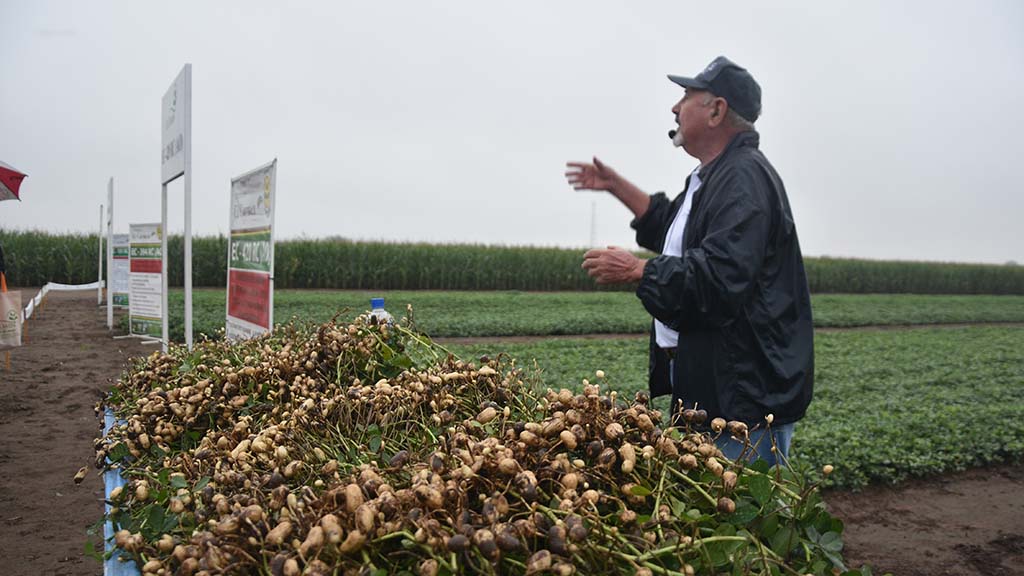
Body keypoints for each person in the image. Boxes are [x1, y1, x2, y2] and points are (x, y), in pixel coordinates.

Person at [564, 56, 813, 466]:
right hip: (714, 389)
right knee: (714, 516)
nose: (675, 107)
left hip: (741, 402)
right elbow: (669, 228)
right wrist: (614, 185)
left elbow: (719, 277)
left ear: (716, 110)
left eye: (686, 96)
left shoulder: (742, 179)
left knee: (741, 518)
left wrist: (636, 269)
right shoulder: (710, 177)